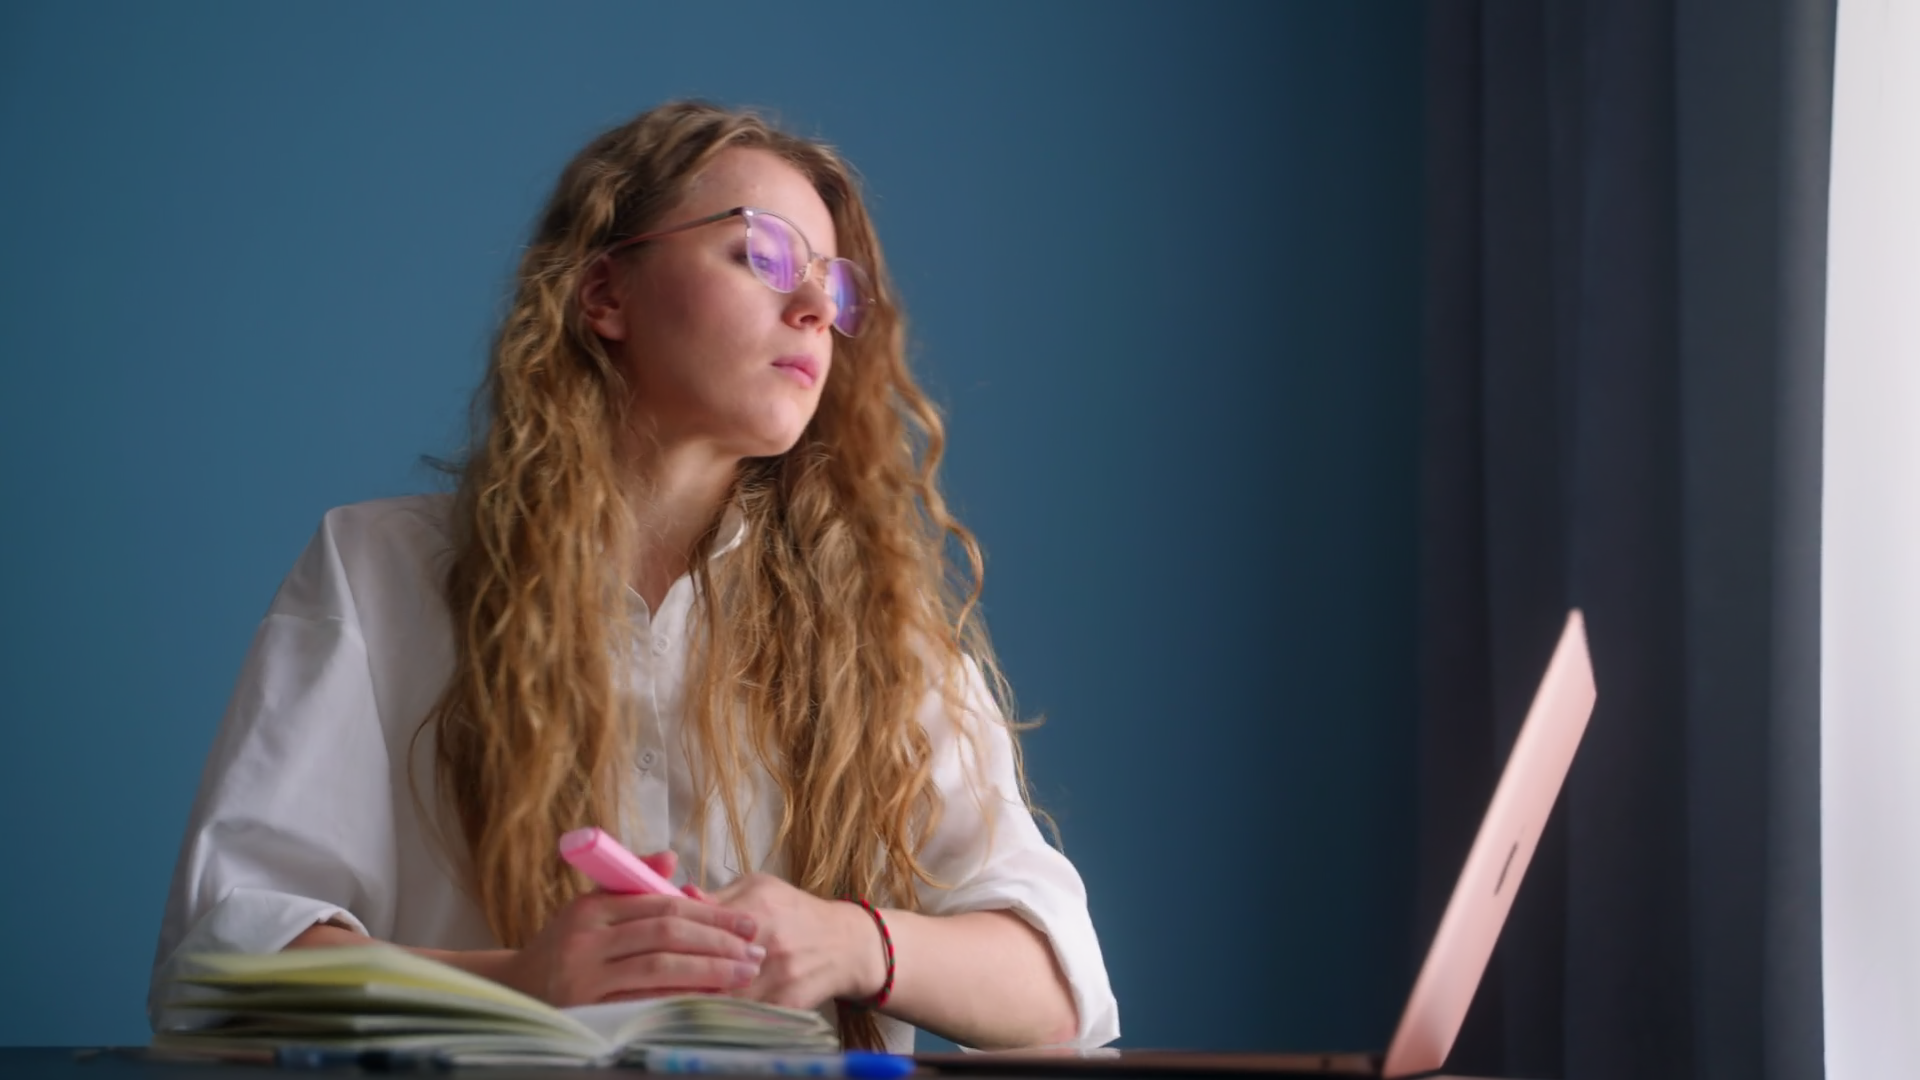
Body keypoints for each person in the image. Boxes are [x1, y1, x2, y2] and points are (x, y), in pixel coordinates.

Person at [148, 101, 1119, 1055]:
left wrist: (853, 943)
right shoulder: (377, 570)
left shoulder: (884, 633)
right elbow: (219, 974)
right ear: (604, 294)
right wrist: (520, 983)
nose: (818, 309)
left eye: (835, 288)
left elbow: (1060, 993)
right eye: (764, 255)